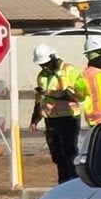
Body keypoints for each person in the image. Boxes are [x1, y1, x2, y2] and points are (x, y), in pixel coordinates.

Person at [30, 43, 88, 184]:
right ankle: (63, 181)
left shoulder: (69, 70)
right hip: (51, 119)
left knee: (70, 152)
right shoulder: (42, 76)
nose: (44, 67)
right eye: (41, 65)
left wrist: (52, 94)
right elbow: (39, 99)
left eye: (46, 63)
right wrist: (35, 118)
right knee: (57, 155)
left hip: (69, 117)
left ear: (53, 57)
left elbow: (76, 96)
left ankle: (75, 182)